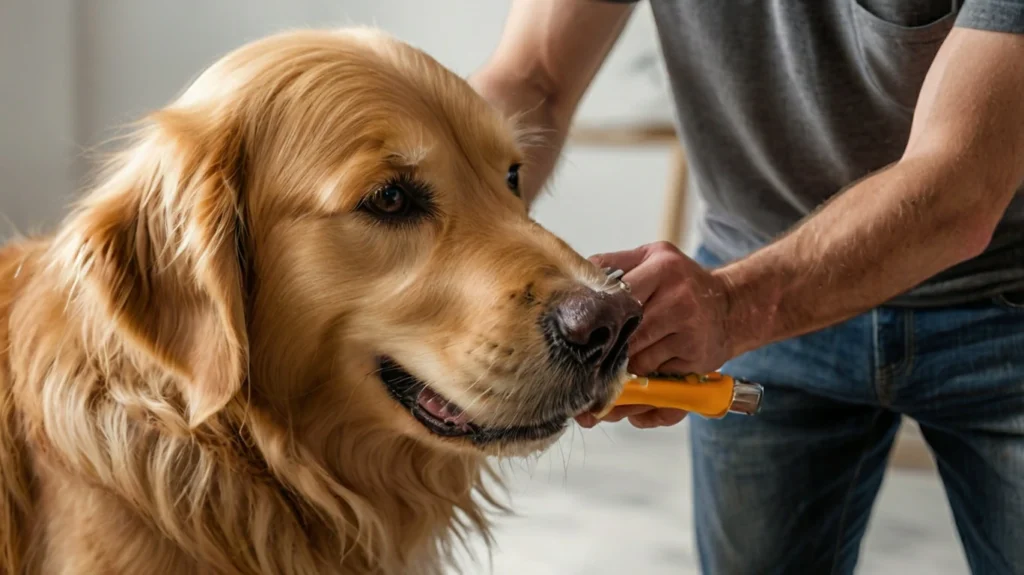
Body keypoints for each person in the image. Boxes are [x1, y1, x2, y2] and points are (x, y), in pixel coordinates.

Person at [469, 1, 1024, 573]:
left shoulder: (736, 305)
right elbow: (535, 74)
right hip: (753, 276)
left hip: (1001, 303)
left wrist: (734, 308)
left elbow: (962, 186)